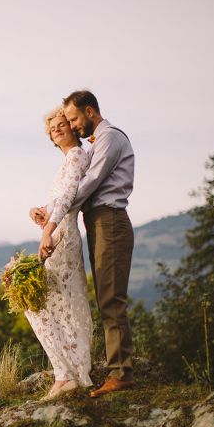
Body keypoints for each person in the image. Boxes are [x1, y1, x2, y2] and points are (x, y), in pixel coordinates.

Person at [62, 90, 136, 398]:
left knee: (111, 299)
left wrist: (59, 209)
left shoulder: (110, 138)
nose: (74, 125)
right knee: (105, 295)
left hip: (110, 222)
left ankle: (121, 373)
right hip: (97, 223)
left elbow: (90, 182)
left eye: (74, 118)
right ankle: (116, 368)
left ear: (90, 111)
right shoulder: (96, 143)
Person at [27, 106, 94, 400]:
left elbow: (68, 198)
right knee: (49, 302)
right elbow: (59, 199)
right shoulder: (67, 161)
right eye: (52, 128)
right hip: (59, 233)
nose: (56, 129)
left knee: (51, 301)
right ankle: (65, 372)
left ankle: (70, 373)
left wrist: (47, 232)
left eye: (61, 124)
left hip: (63, 238)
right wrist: (41, 212)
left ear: (72, 127)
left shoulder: (78, 155)